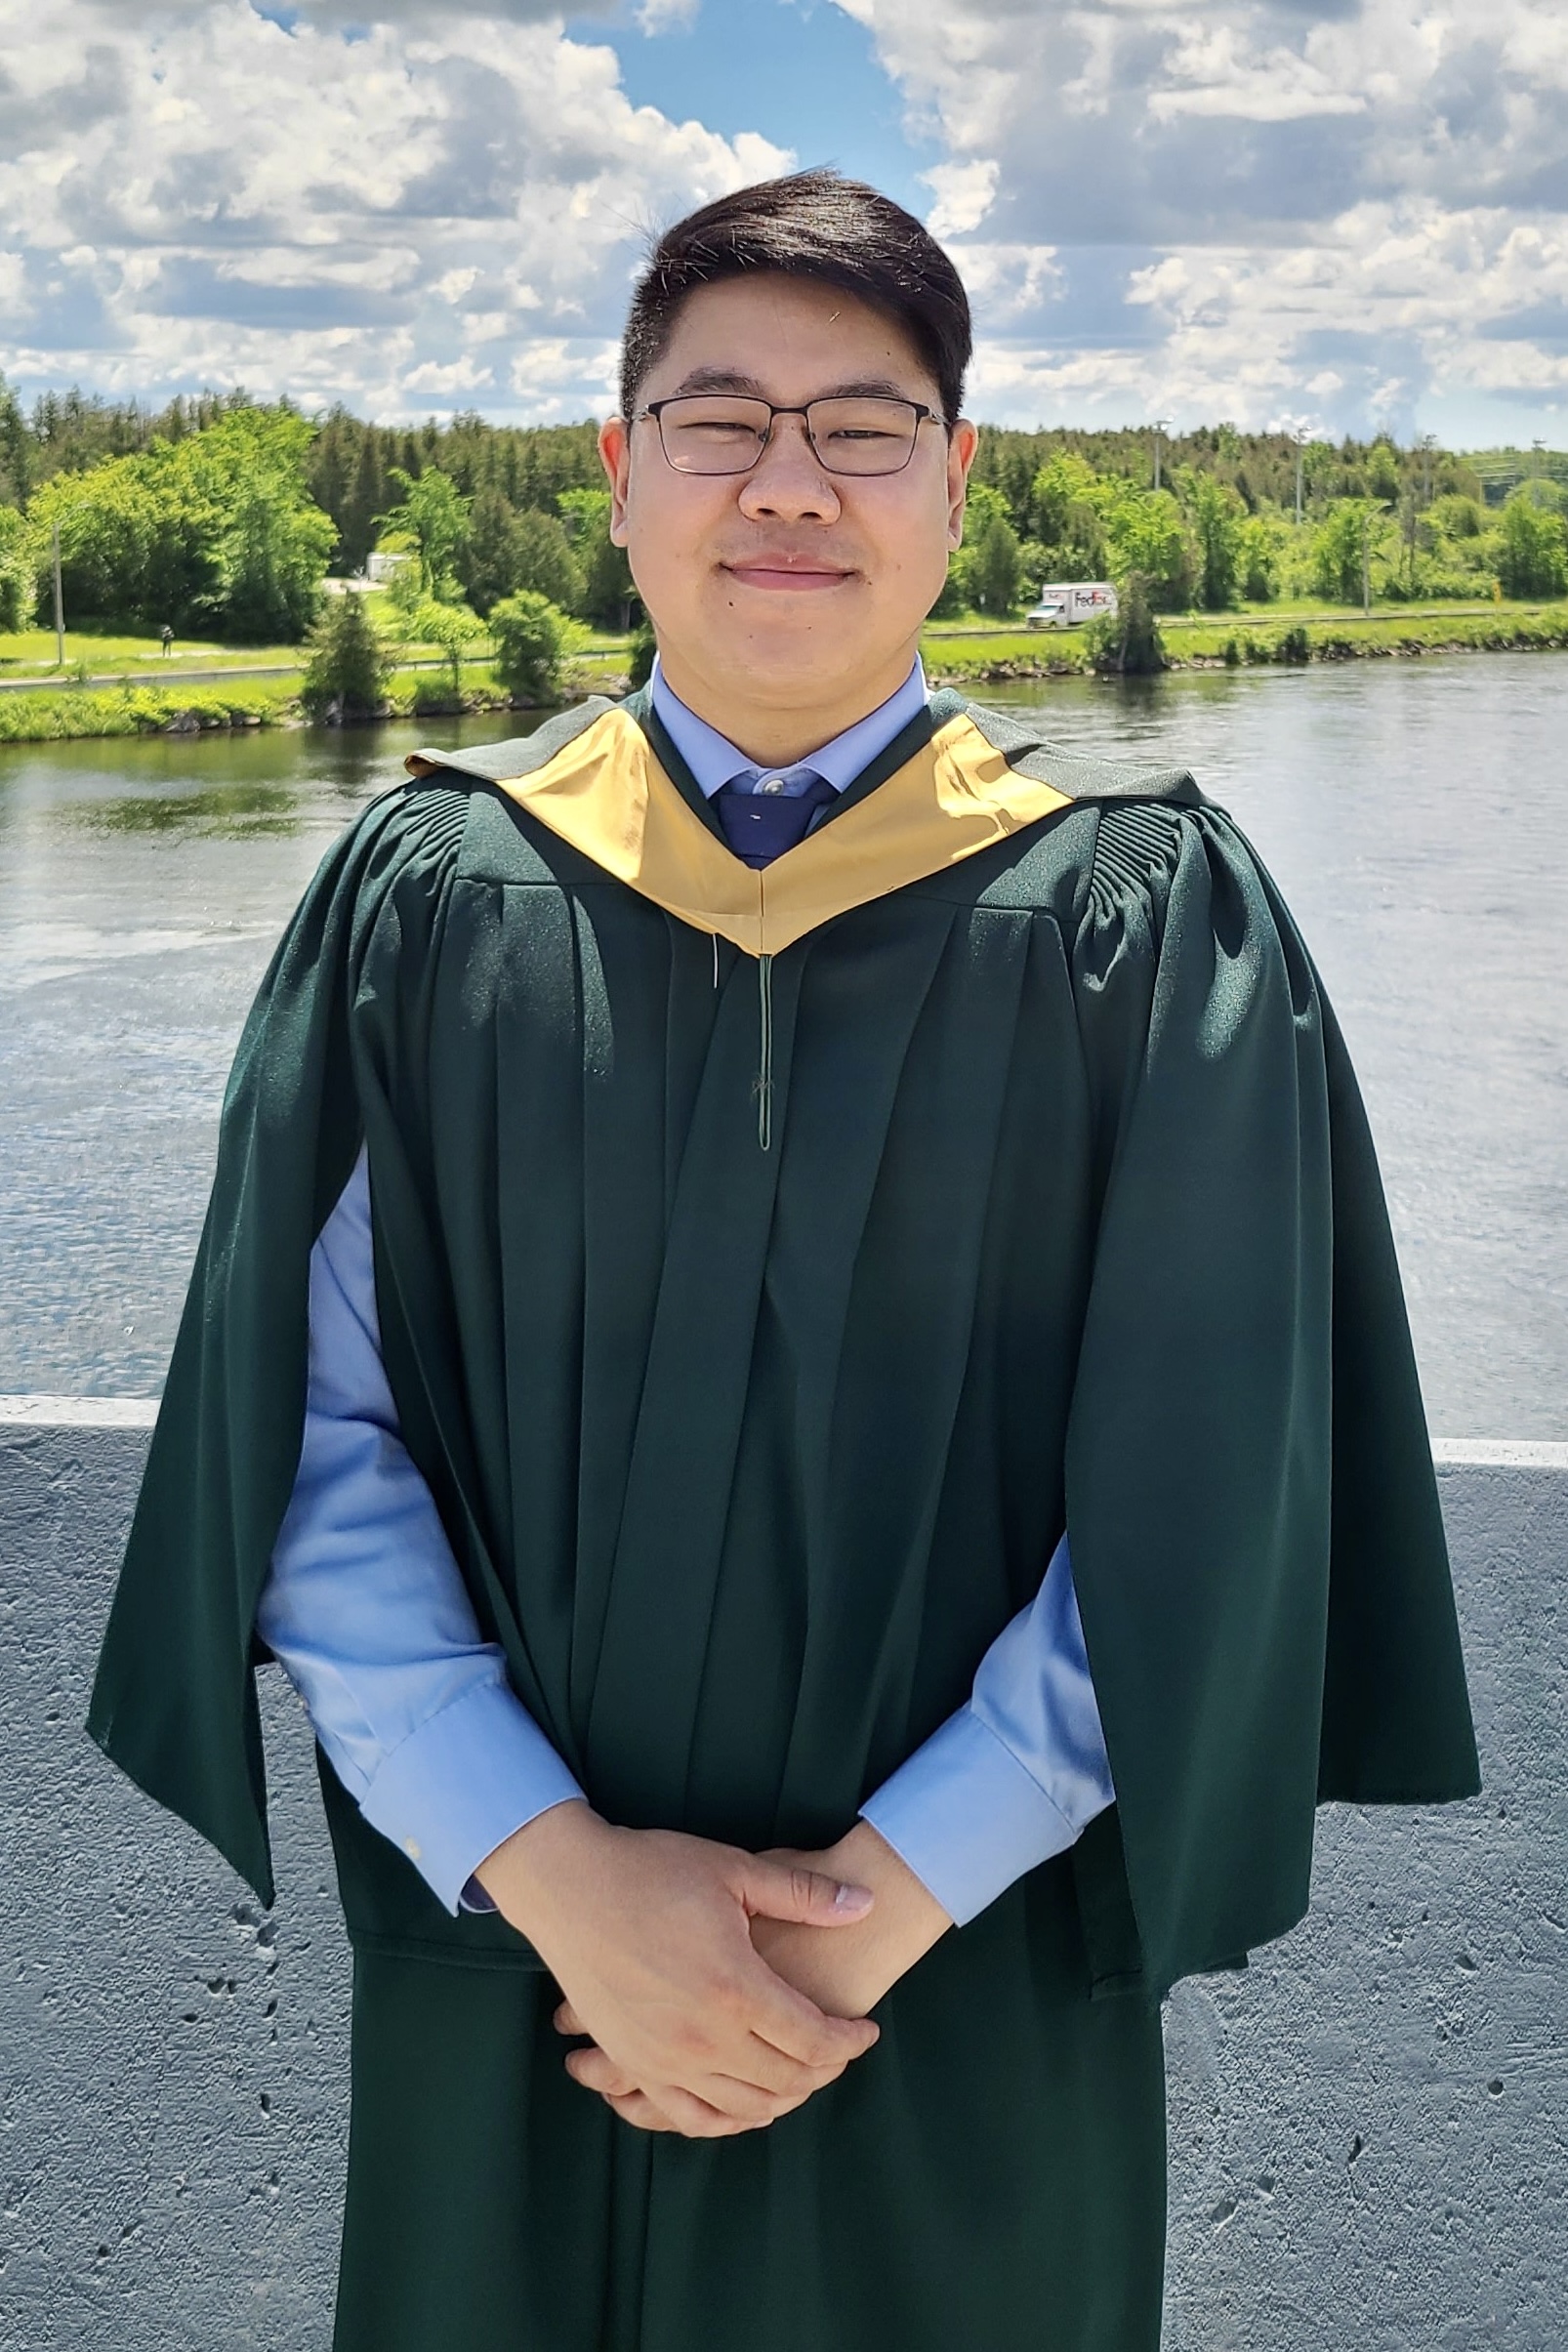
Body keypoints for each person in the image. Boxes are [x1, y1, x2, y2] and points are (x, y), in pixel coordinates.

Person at [90, 172, 1480, 2352]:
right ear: (618, 474)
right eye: (719, 418)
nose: (787, 483)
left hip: (955, 1974)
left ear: (956, 483)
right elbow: (311, 1435)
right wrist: (550, 1868)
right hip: (518, 1978)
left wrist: (853, 1914)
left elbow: (1203, 1488)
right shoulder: (430, 903)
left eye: (863, 423)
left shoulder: (1133, 924)